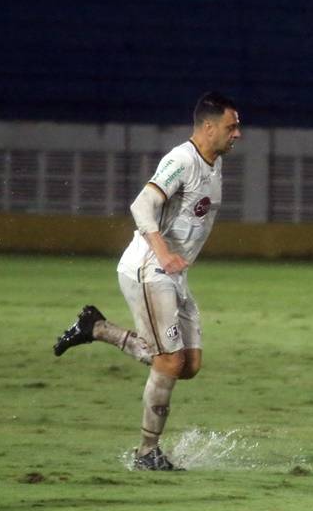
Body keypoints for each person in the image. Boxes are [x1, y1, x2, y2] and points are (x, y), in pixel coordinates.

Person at [52, 92, 242, 470]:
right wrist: (163, 251)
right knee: (169, 362)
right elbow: (142, 205)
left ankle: (96, 328)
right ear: (208, 127)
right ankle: (146, 453)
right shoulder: (181, 159)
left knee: (188, 365)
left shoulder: (213, 163)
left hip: (173, 274)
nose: (237, 133)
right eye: (231, 126)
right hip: (149, 268)